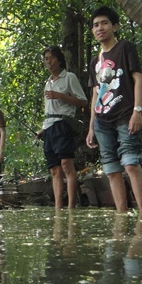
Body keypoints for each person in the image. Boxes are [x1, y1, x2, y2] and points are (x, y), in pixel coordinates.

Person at [86, 6, 142, 212]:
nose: (100, 28)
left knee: (130, 163)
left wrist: (137, 110)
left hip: (125, 114)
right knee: (111, 170)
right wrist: (91, 127)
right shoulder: (95, 61)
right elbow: (96, 93)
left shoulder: (125, 48)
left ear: (115, 26)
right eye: (95, 25)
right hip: (102, 121)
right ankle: (121, 216)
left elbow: (138, 78)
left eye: (104, 23)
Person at [38, 46, 88, 209]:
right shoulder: (47, 83)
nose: (49, 61)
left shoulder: (69, 77)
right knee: (54, 170)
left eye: (51, 57)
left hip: (63, 124)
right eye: (46, 58)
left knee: (67, 164)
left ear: (59, 60)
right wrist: (42, 130)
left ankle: (71, 206)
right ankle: (58, 208)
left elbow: (83, 102)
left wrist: (60, 95)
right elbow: (48, 110)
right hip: (49, 127)